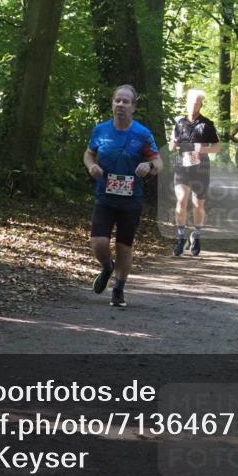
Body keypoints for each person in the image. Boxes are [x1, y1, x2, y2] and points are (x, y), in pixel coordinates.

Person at [84, 84, 161, 308]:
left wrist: (149, 166)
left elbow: (158, 162)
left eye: (126, 101)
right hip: (105, 197)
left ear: (133, 107)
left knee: (124, 247)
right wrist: (91, 166)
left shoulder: (142, 134)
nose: (120, 105)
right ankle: (107, 267)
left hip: (131, 200)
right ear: (112, 104)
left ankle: (118, 290)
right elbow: (89, 154)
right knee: (98, 242)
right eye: (117, 100)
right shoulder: (101, 130)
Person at [170, 89, 221, 256]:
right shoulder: (179, 123)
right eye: (191, 102)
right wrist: (173, 143)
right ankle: (180, 237)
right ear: (186, 104)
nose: (193, 106)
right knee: (181, 200)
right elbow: (172, 147)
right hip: (182, 166)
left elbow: (217, 147)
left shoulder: (207, 124)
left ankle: (196, 235)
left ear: (201, 105)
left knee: (198, 204)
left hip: (201, 168)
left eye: (197, 103)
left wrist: (202, 149)